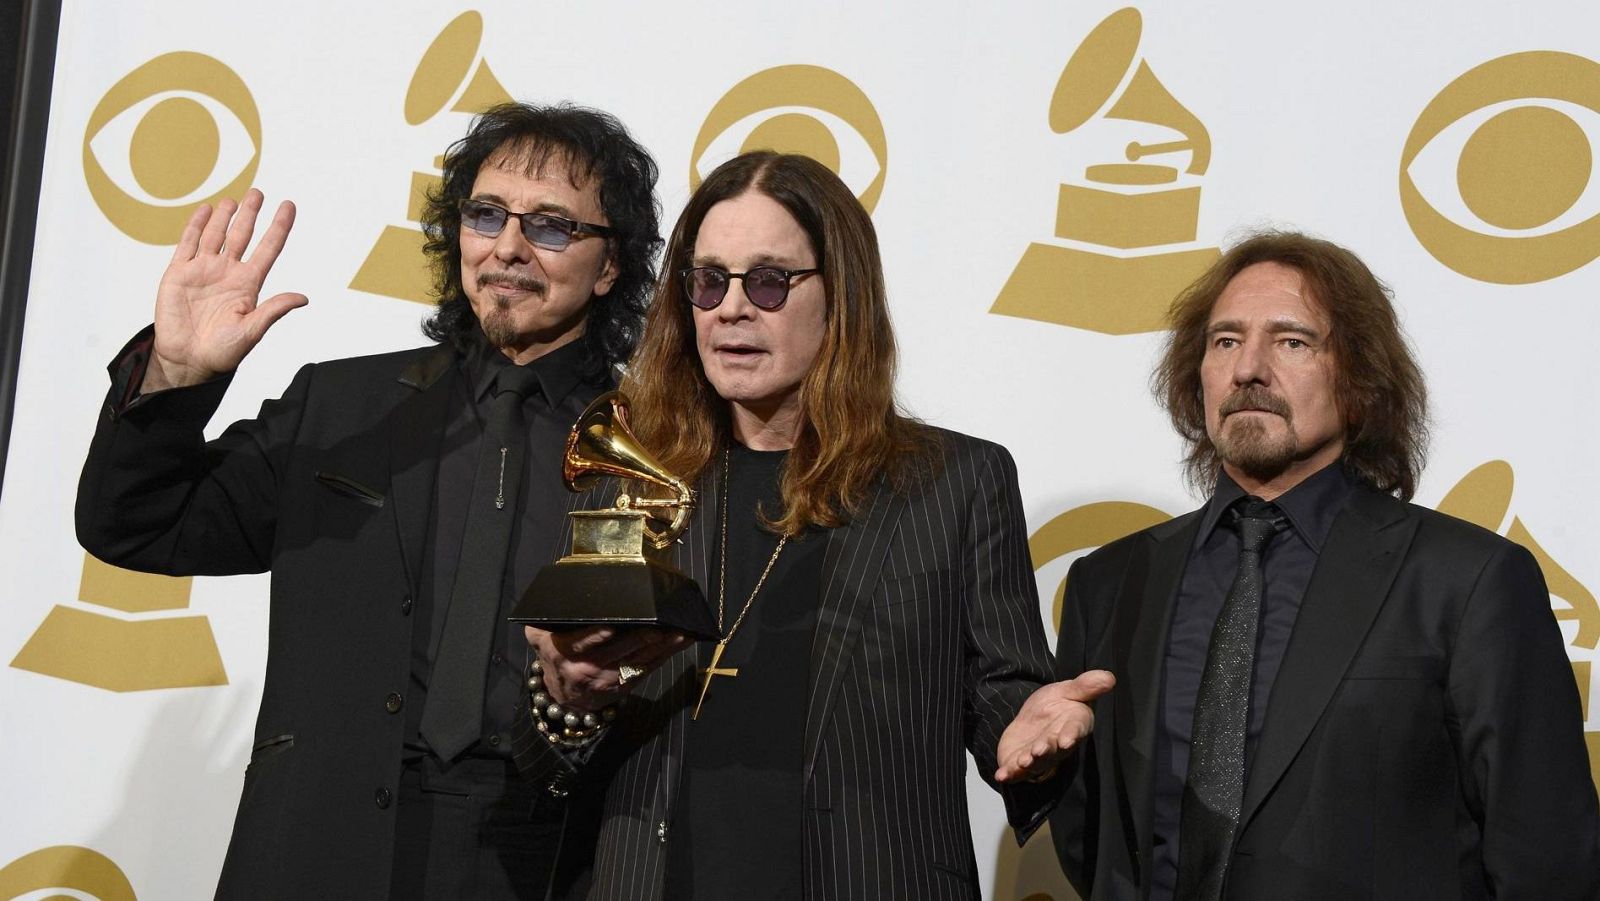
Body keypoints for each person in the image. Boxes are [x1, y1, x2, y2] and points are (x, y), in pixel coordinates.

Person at [75, 102, 662, 900]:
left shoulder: (654, 452)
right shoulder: (343, 406)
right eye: (486, 215)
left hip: (542, 856)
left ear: (609, 265)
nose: (509, 247)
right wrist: (178, 377)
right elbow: (137, 525)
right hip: (318, 843)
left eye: (552, 225)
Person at [516, 150, 1112, 900]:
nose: (732, 308)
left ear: (843, 296)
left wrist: (1033, 742)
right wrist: (567, 701)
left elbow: (1005, 699)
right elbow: (539, 766)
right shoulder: (627, 477)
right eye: (708, 281)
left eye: (768, 281)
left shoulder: (954, 483)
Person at [1049, 231, 1600, 900]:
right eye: (1225, 341)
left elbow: (1547, 857)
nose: (1249, 368)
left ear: (1360, 378)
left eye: (1292, 342)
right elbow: (1093, 841)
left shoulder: (1467, 582)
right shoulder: (1109, 583)